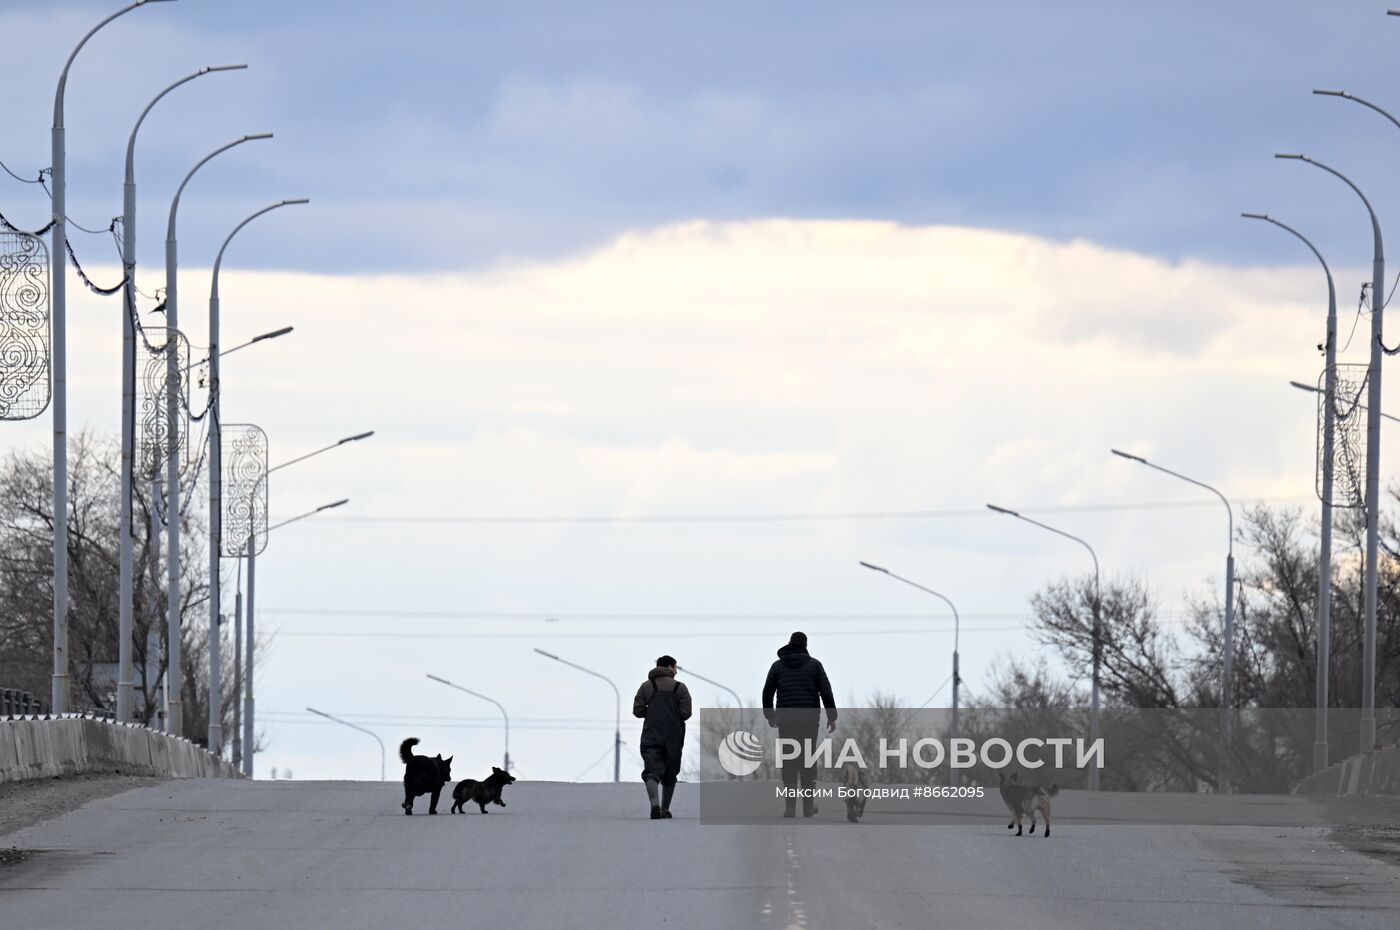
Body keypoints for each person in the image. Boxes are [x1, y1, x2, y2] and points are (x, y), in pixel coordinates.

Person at [762, 631, 837, 818]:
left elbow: (767, 693)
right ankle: (808, 807)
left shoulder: (777, 666)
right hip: (809, 721)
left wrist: (770, 716)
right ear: (805, 645)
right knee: (807, 762)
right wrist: (832, 716)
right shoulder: (815, 665)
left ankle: (789, 808)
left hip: (786, 721)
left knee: (789, 761)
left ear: (789, 643)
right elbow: (826, 693)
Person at [632, 655, 692, 820]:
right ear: (670, 667)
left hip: (651, 734)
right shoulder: (680, 688)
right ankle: (665, 809)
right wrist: (673, 715)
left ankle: (654, 805)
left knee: (652, 771)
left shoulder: (646, 686)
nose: (677, 671)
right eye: (675, 667)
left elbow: (637, 711)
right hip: (674, 736)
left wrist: (651, 713)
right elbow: (687, 713)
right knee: (670, 773)